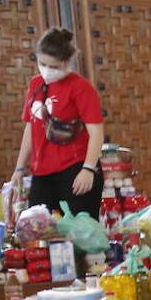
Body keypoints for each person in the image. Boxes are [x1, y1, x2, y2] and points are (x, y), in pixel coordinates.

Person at [12, 28, 105, 218]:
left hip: (74, 169)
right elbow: (31, 126)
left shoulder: (81, 88)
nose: (46, 70)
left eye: (53, 66)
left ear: (66, 62)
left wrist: (88, 169)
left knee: (81, 236)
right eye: (42, 63)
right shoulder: (35, 85)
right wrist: (20, 168)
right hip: (42, 172)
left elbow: (96, 133)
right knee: (37, 231)